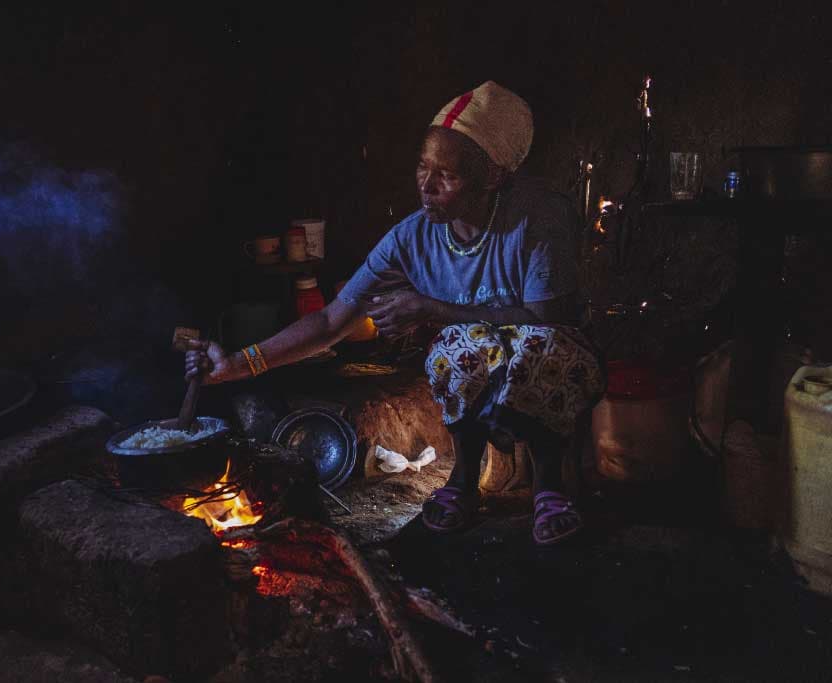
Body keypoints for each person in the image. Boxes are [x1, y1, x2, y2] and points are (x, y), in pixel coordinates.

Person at [186, 80, 604, 545]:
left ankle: (550, 484)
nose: (427, 186)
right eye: (423, 167)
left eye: (448, 175)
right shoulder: (412, 238)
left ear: (494, 177)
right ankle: (464, 481)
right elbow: (329, 323)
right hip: (481, 364)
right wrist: (237, 366)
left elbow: (548, 319)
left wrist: (430, 307)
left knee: (531, 346)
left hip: (554, 357)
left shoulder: (538, 217)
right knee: (460, 348)